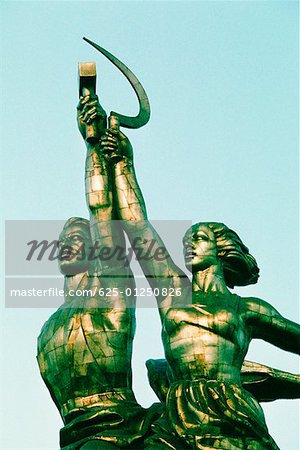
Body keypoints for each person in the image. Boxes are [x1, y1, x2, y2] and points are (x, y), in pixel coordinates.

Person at [96, 117, 300, 450]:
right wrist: (123, 164)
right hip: (179, 410)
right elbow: (137, 226)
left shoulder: (247, 309)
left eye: (200, 238)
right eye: (187, 239)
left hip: (232, 410)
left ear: (221, 250)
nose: (190, 244)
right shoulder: (173, 291)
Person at [37, 96, 162, 450]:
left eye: (76, 238)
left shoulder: (109, 293)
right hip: (75, 434)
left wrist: (92, 144)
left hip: (117, 428)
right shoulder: (50, 325)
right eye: (62, 239)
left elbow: (101, 207)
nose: (66, 244)